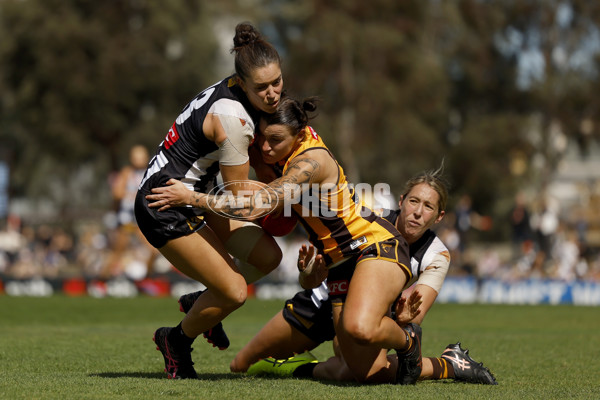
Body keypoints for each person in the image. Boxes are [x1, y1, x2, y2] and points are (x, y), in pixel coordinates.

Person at [146, 97, 421, 384]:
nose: (265, 147)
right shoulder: (276, 143)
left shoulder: (310, 163)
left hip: (373, 245)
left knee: (360, 328)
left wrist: (191, 197)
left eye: (275, 140)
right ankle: (448, 365)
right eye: (262, 137)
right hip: (338, 263)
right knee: (359, 371)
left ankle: (407, 340)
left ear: (299, 135)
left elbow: (254, 206)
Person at [218, 170, 496, 385]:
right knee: (240, 365)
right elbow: (311, 282)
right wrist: (308, 275)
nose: (418, 212)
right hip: (320, 302)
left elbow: (412, 319)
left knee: (363, 373)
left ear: (439, 217)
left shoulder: (437, 254)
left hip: (366, 316)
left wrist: (402, 315)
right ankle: (309, 357)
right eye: (413, 201)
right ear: (401, 202)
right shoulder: (367, 221)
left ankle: (448, 364)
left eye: (428, 207)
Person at [135, 22, 285, 380]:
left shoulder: (234, 90)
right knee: (234, 292)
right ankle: (175, 340)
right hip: (165, 204)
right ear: (242, 83)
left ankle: (201, 303)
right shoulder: (234, 120)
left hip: (193, 193)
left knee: (269, 257)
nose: (272, 94)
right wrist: (292, 196)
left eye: (277, 81)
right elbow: (239, 202)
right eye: (261, 87)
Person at [103, 144, 159, 279]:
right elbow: (117, 193)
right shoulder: (127, 172)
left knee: (154, 250)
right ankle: (102, 279)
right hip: (127, 219)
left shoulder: (151, 172)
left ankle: (147, 278)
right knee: (118, 252)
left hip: (143, 219)